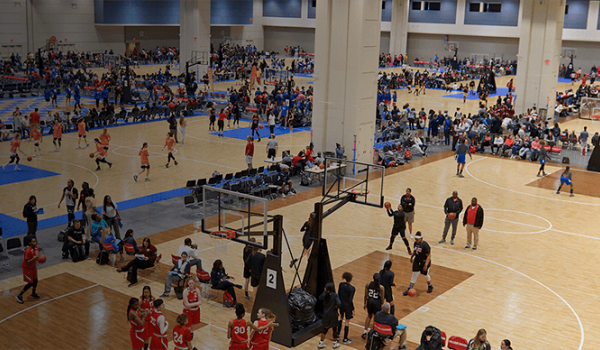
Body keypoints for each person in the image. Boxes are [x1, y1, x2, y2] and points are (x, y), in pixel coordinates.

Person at [16, 237, 41, 304]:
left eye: (35, 241)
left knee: (35, 280)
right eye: (33, 242)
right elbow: (27, 262)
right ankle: (19, 295)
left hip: (33, 267)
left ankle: (33, 293)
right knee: (30, 283)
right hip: (27, 268)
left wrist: (40, 258)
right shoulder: (28, 251)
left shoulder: (37, 248)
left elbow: (37, 257)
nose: (35, 243)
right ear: (30, 243)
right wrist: (34, 258)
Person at [317, 282, 341, 349]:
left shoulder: (324, 295)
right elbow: (339, 303)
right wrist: (336, 306)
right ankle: (335, 343)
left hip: (326, 315)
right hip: (333, 315)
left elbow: (319, 298)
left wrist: (324, 292)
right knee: (334, 329)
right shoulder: (335, 295)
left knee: (325, 329)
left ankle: (321, 343)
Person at [362, 273, 384, 340]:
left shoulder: (368, 285)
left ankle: (365, 332)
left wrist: (365, 303)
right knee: (375, 317)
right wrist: (382, 305)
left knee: (369, 316)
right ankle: (374, 333)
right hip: (377, 303)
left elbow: (365, 295)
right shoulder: (381, 287)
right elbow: (382, 299)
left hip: (370, 301)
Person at [338, 272, 355, 345]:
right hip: (347, 306)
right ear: (351, 279)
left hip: (340, 304)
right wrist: (353, 309)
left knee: (341, 318)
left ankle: (338, 335)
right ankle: (345, 339)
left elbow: (338, 295)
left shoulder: (341, 284)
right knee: (347, 321)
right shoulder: (352, 288)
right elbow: (350, 300)